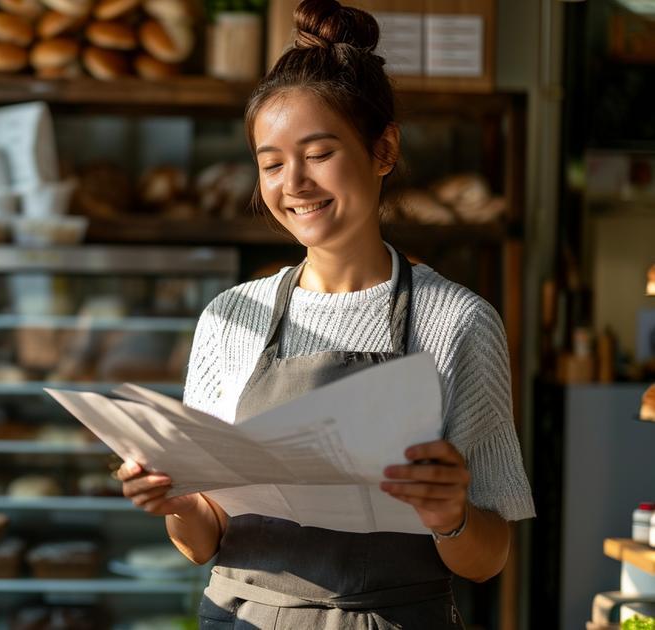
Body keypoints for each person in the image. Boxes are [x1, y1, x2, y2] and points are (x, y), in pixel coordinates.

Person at [116, 0, 535, 627]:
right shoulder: (231, 319)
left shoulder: (458, 322)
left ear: (383, 149)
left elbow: (490, 557)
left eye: (318, 153)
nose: (294, 184)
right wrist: (176, 500)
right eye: (272, 163)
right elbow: (206, 541)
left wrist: (450, 516)